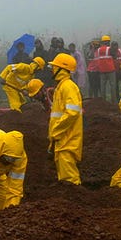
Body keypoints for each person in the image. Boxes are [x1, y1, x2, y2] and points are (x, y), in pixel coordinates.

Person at [46, 54, 84, 185]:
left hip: (67, 138)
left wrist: (56, 131)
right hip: (63, 139)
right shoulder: (62, 86)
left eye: (54, 66)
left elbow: (72, 113)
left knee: (70, 180)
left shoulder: (67, 86)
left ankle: (75, 203)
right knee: (65, 176)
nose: (51, 69)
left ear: (61, 68)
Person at [95, 35, 117, 102]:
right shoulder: (109, 49)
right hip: (110, 70)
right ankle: (114, 101)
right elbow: (115, 57)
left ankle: (103, 101)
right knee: (113, 86)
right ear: (108, 42)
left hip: (102, 71)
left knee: (103, 87)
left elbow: (96, 59)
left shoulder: (98, 50)